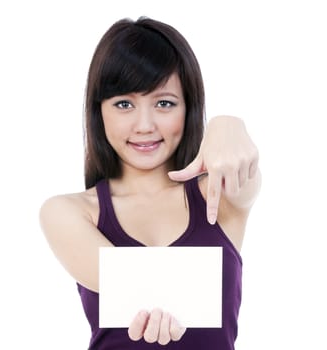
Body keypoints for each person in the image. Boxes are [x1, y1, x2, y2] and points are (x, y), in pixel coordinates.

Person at [39, 16, 261, 349]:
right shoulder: (68, 212)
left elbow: (245, 169)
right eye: (124, 104)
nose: (144, 125)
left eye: (164, 103)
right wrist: (174, 297)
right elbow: (131, 288)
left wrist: (229, 124)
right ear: (99, 113)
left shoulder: (219, 195)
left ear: (189, 108)